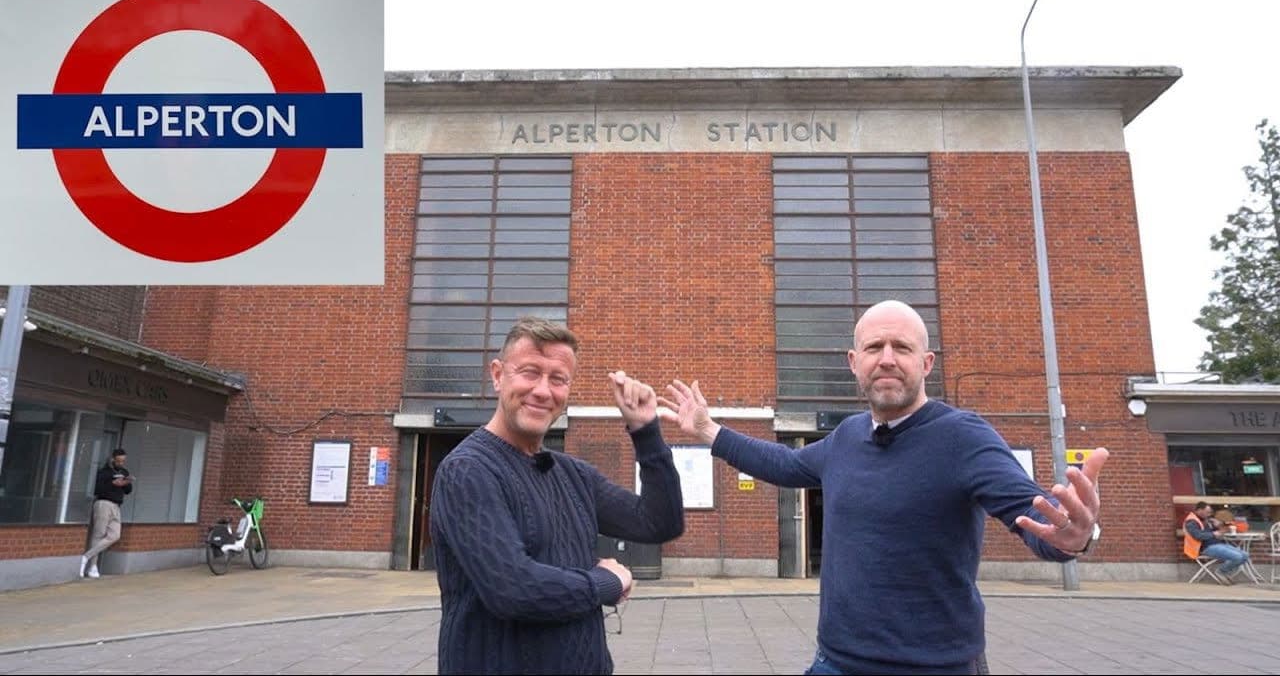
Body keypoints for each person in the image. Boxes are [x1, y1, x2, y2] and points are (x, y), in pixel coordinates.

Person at [659, 300, 1109, 675]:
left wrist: (1074, 536)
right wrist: (709, 431)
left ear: (926, 363)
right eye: (874, 347)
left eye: (902, 347)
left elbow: (1032, 513)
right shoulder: (846, 437)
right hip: (836, 661)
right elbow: (785, 463)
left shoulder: (964, 437)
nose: (887, 358)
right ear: (854, 363)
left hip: (936, 666)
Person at [429, 316, 685, 675]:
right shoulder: (468, 471)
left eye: (558, 379)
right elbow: (513, 589)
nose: (543, 391)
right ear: (498, 375)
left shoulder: (573, 475)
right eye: (530, 373)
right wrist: (607, 582)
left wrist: (646, 431)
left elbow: (659, 522)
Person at [80, 448, 132, 579]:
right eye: (119, 461)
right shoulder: (104, 472)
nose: (121, 463)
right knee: (98, 534)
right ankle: (93, 566)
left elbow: (128, 490)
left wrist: (125, 483)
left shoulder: (124, 472)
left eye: (123, 461)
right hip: (103, 503)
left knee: (115, 535)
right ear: (113, 459)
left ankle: (86, 557)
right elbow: (97, 489)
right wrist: (112, 483)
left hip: (116, 505)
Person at [1183, 501, 1249, 583]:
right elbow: (1198, 535)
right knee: (1237, 557)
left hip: (1217, 544)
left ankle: (1226, 573)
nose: (1209, 514)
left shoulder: (1206, 520)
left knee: (1245, 555)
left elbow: (1215, 530)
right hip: (1205, 548)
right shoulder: (1191, 521)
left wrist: (1219, 526)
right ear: (1199, 510)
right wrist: (1214, 534)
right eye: (1207, 512)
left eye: (1210, 512)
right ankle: (1221, 571)